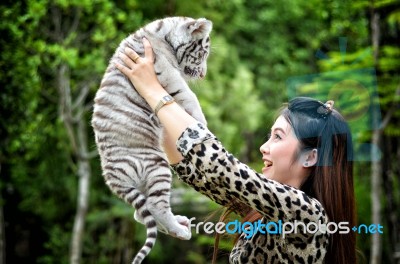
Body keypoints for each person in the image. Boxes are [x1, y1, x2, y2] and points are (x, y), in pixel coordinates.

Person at [115, 38, 357, 264]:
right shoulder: (265, 212)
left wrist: (154, 91)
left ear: (311, 156)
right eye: (269, 136)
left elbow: (221, 168)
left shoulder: (308, 216)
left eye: (278, 137)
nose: (264, 147)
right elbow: (200, 175)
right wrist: (152, 103)